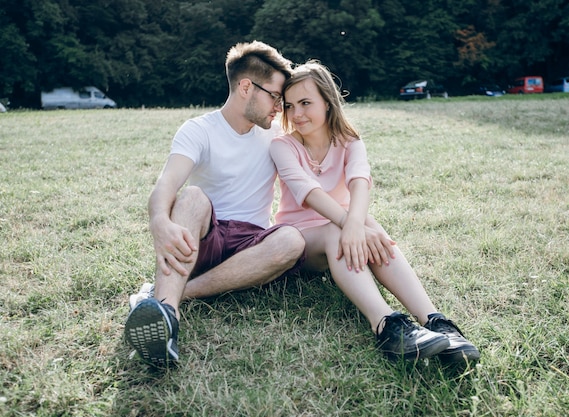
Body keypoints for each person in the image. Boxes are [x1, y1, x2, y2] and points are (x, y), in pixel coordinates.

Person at [269, 61, 480, 363]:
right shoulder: (283, 146)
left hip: (343, 234)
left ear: (328, 103)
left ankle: (436, 322)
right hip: (299, 242)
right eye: (290, 106)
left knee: (368, 222)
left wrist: (356, 224)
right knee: (339, 230)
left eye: (305, 103)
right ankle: (386, 326)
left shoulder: (350, 142)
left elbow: (359, 182)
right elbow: (309, 192)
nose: (296, 114)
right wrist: (350, 225)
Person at [124, 41, 305, 368]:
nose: (280, 106)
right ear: (246, 87)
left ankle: (168, 295)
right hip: (206, 237)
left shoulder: (276, 135)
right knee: (192, 196)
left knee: (292, 239)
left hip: (252, 246)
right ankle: (167, 319)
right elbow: (167, 184)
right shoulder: (199, 130)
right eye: (275, 97)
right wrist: (158, 221)